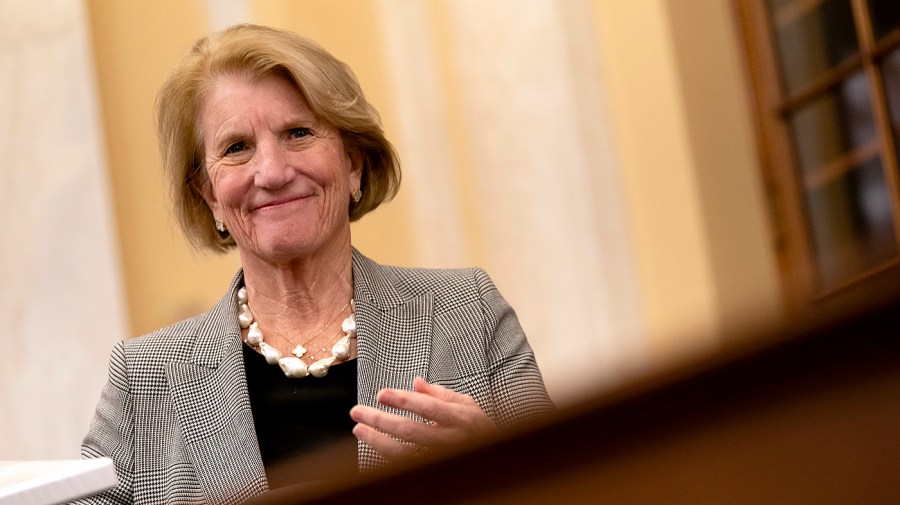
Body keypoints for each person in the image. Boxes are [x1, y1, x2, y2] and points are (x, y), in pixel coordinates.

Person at [79, 23, 553, 504]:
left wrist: (499, 469)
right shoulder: (143, 378)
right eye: (237, 148)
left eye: (298, 133)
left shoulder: (468, 313)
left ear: (353, 163)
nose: (272, 172)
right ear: (209, 196)